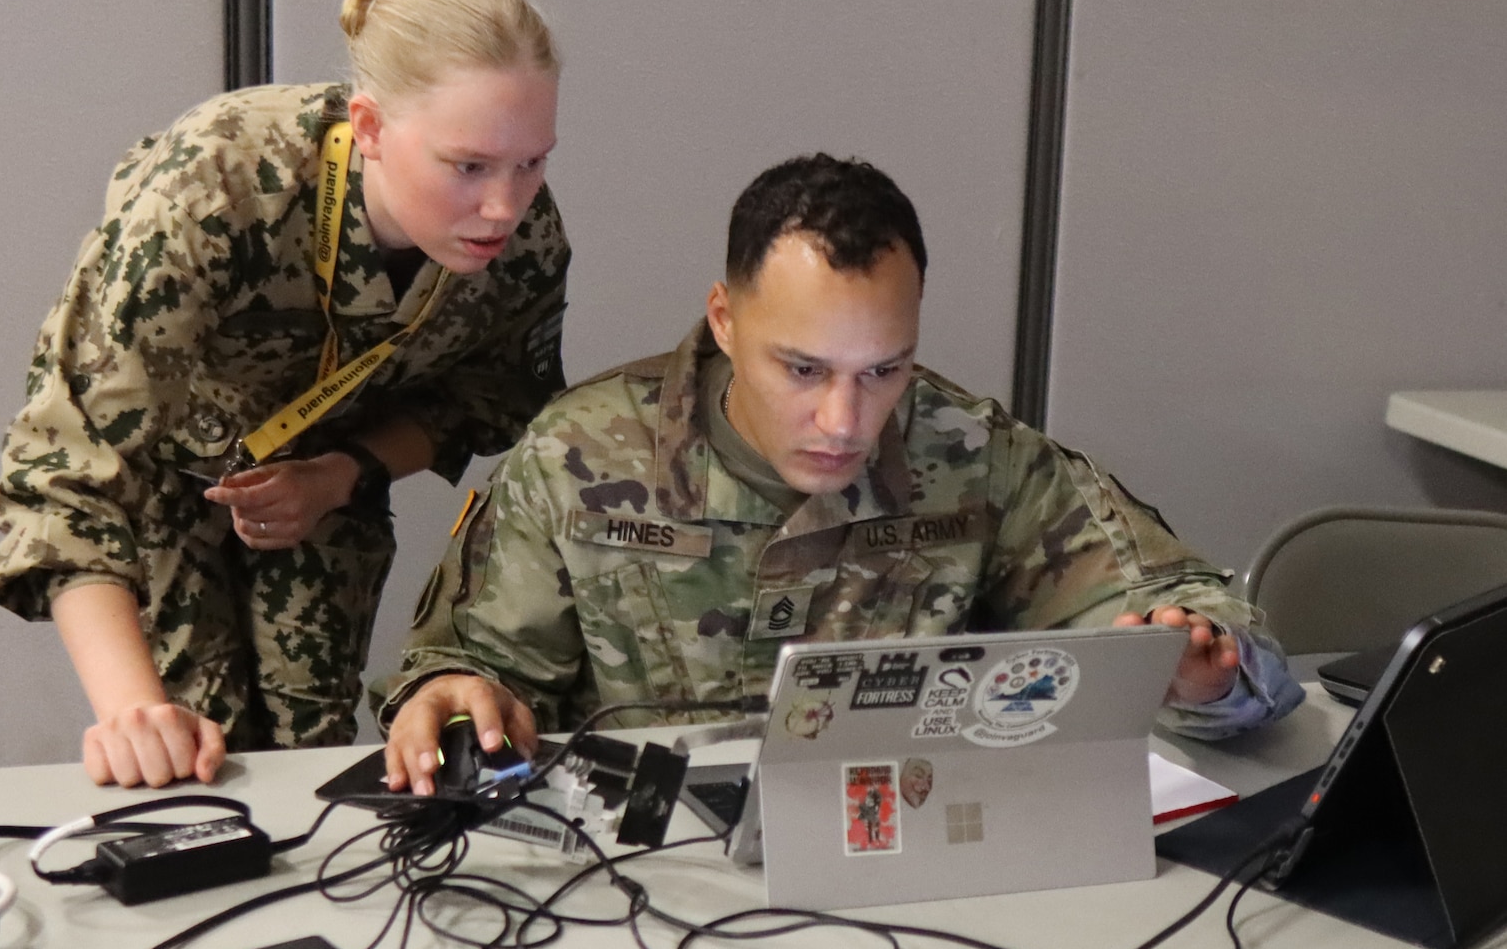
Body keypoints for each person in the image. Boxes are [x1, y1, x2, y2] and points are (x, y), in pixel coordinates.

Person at [373, 153, 1304, 796]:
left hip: (903, 862)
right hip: (637, 885)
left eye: (884, 371)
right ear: (726, 322)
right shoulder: (580, 458)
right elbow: (472, 673)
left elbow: (1189, 614)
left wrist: (1202, 671)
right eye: (804, 369)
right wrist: (449, 697)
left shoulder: (969, 455)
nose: (845, 422)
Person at [0, 0, 570, 789]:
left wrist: (345, 472)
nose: (505, 206)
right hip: (161, 491)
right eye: (468, 166)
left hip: (320, 497)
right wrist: (132, 711)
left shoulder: (523, 244)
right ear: (370, 126)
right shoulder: (213, 192)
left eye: (532, 162)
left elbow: (496, 395)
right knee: (192, 762)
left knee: (311, 760)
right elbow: (69, 468)